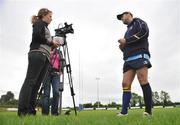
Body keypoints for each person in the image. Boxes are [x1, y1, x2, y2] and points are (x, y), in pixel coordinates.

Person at [18, 8, 60, 116]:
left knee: (36, 85)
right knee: (30, 82)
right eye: (50, 16)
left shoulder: (46, 28)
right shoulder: (39, 23)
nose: (51, 19)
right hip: (37, 54)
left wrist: (52, 45)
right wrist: (51, 42)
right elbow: (37, 36)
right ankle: (22, 111)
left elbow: (46, 42)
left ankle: (31, 111)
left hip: (45, 56)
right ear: (43, 15)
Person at [116, 11, 152, 116]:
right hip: (128, 59)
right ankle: (124, 112)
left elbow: (144, 33)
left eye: (122, 16)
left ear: (129, 14)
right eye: (121, 18)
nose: (122, 18)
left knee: (142, 80)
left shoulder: (138, 22)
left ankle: (148, 112)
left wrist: (126, 41)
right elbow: (127, 45)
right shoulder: (126, 31)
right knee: (125, 84)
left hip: (140, 54)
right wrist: (122, 48)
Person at [41, 48, 64, 116]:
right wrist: (49, 53)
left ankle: (54, 113)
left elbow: (62, 61)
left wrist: (61, 70)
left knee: (56, 92)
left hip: (56, 73)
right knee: (46, 94)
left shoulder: (59, 51)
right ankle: (45, 114)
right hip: (46, 72)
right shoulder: (47, 49)